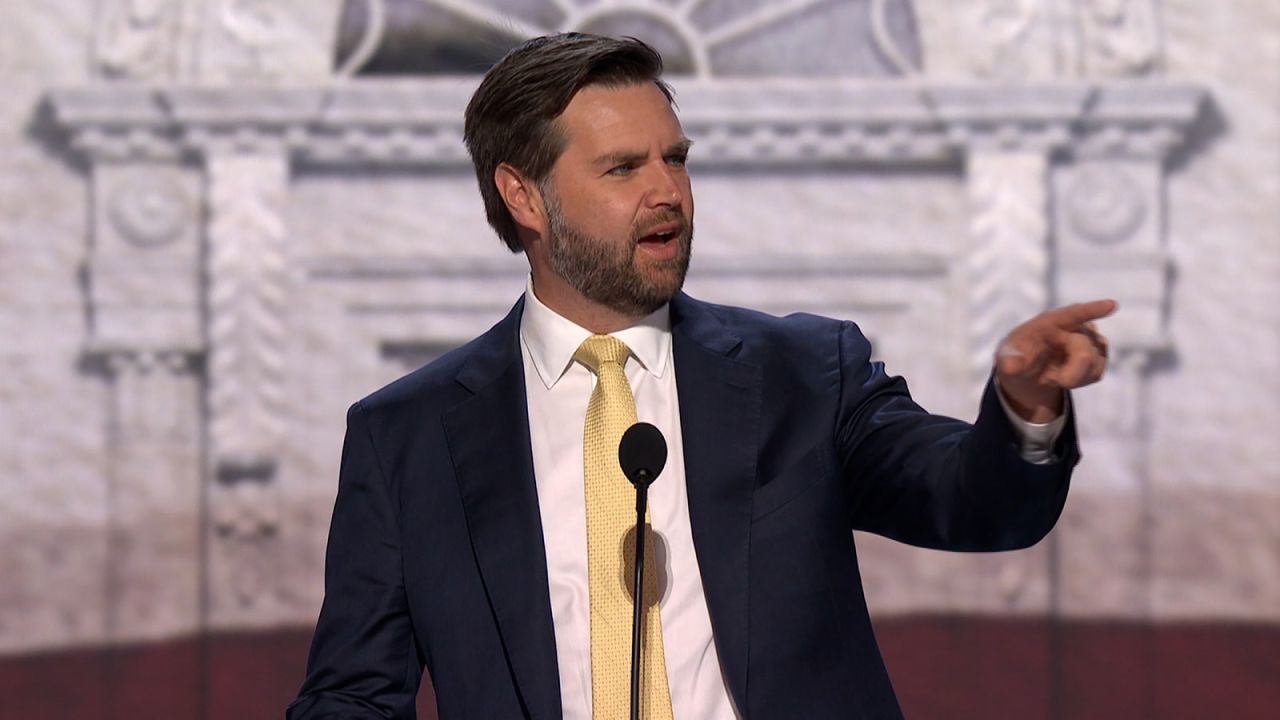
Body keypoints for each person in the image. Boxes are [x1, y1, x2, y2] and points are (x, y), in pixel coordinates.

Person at [288, 33, 1114, 720]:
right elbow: (355, 695)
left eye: (675, 159)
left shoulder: (805, 376)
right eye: (622, 169)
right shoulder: (409, 435)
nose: (669, 193)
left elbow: (977, 504)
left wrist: (1024, 408)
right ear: (524, 198)